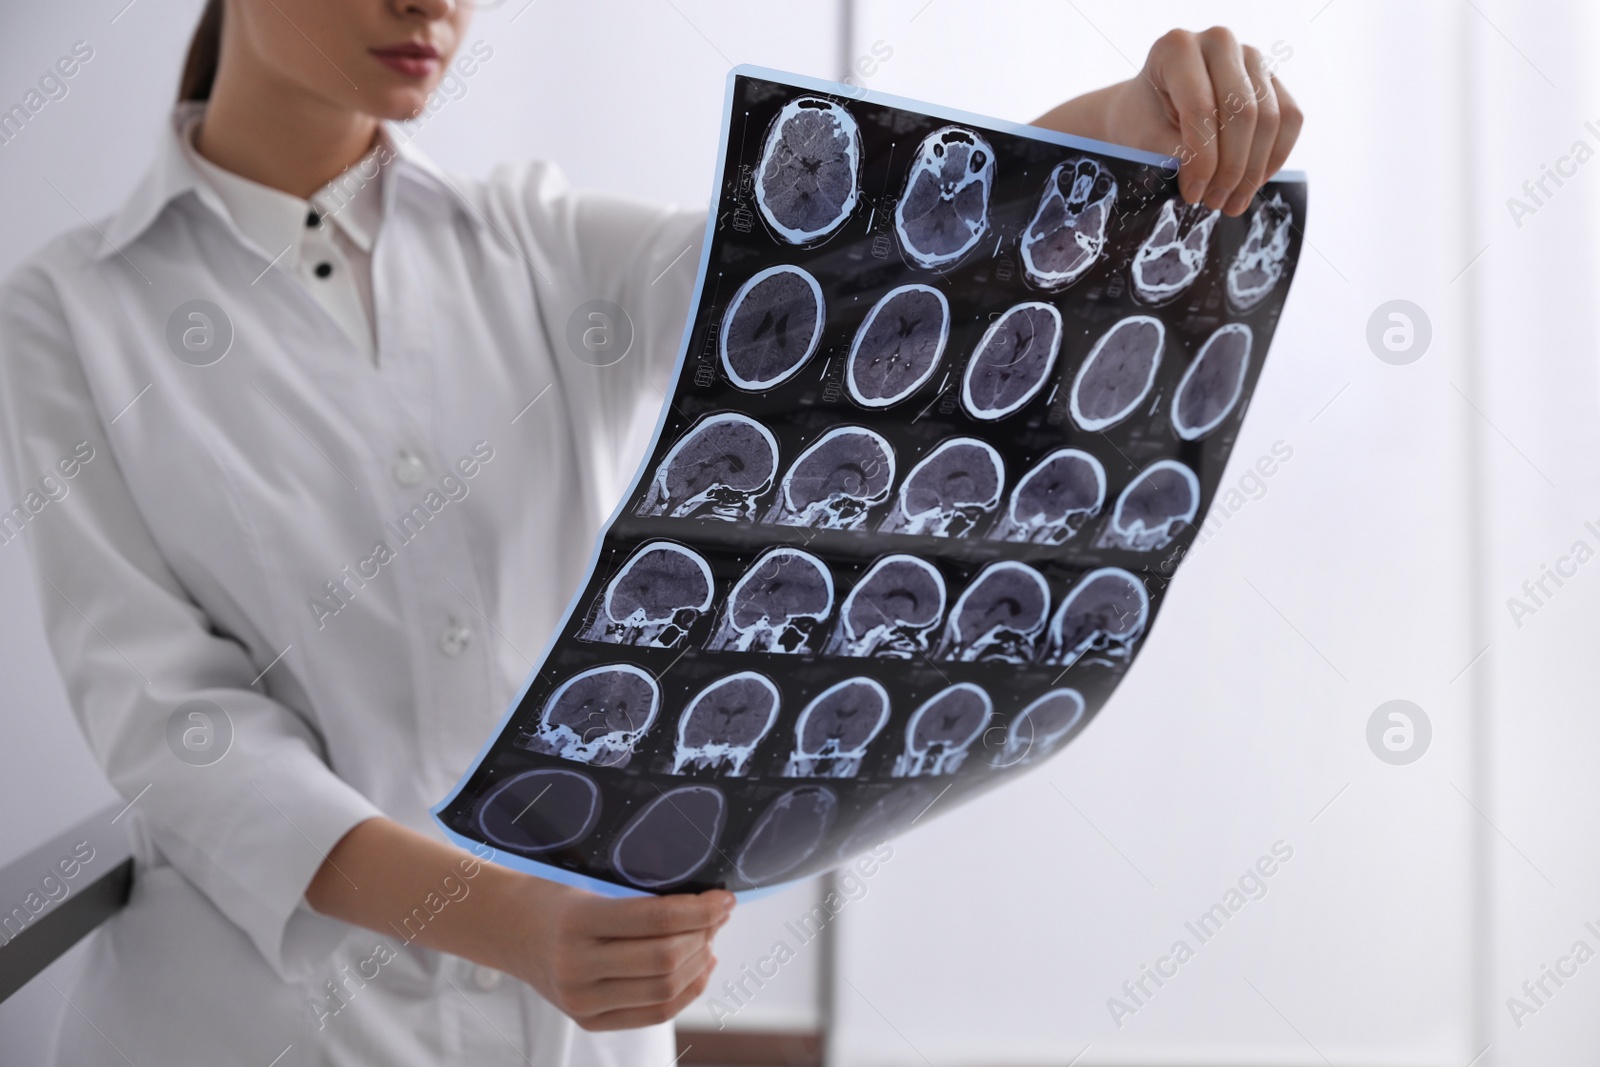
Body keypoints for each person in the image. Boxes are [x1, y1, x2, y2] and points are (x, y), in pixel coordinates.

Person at [0, 1, 1301, 1063]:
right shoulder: (67, 315)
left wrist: (1120, 132)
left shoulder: (533, 239)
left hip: (576, 1017)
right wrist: (500, 918)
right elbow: (183, 736)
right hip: (246, 1028)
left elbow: (866, 291)